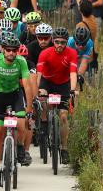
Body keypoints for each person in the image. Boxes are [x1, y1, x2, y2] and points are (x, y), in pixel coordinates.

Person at [0, 33, 34, 187]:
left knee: (21, 125)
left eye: (14, 50)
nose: (11, 53)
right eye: (8, 50)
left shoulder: (21, 62)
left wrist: (29, 109)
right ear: (2, 49)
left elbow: (27, 86)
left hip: (15, 96)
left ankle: (19, 147)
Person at [36, 27, 78, 166]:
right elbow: (39, 74)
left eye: (63, 42)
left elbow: (73, 73)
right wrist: (36, 89)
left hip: (63, 84)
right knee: (43, 100)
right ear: (53, 41)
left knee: (64, 116)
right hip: (47, 82)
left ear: (67, 43)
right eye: (57, 42)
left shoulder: (72, 53)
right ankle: (43, 123)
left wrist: (72, 90)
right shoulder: (45, 53)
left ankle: (64, 148)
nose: (60, 45)